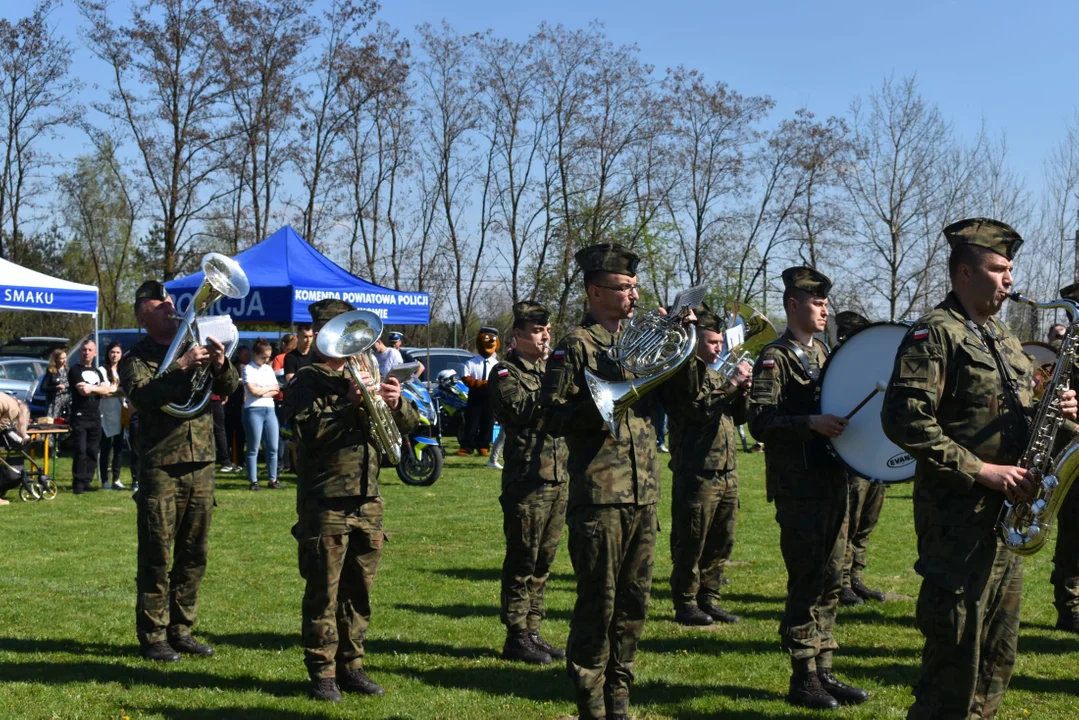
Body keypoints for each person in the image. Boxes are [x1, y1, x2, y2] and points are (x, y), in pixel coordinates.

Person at [881, 218, 1078, 718]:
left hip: (1005, 522)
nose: (1010, 279)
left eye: (1011, 268)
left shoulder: (1006, 338)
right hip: (957, 524)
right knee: (953, 665)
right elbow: (904, 420)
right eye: (999, 268)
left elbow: (1016, 420)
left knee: (996, 661)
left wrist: (1058, 415)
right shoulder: (934, 333)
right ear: (964, 273)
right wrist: (982, 471)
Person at [540, 243, 681, 720]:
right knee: (598, 606)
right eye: (624, 289)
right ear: (595, 291)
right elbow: (551, 416)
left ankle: (619, 697)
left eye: (636, 288)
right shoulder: (577, 343)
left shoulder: (640, 340)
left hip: (644, 495)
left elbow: (686, 400)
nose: (634, 298)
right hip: (600, 497)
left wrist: (681, 342)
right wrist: (600, 406)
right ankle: (590, 703)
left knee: (634, 604)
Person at [283, 298, 419, 702]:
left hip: (368, 497)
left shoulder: (369, 370)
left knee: (359, 590)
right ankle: (322, 672)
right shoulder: (306, 381)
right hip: (326, 499)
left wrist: (398, 404)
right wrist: (349, 405)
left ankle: (352, 665)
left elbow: (406, 427)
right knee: (324, 591)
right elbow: (307, 432)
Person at [747, 266, 868, 710]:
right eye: (817, 303)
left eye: (825, 302)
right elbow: (759, 421)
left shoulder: (825, 353)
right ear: (793, 304)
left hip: (834, 480)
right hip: (799, 489)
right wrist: (809, 424)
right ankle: (802, 677)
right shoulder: (773, 358)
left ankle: (824, 668)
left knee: (832, 580)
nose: (825, 310)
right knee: (807, 581)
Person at [119, 279, 239, 662]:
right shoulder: (134, 358)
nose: (171, 307)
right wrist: (181, 367)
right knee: (157, 552)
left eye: (170, 301)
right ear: (142, 315)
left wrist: (221, 365)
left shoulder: (194, 342)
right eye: (160, 305)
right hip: (161, 464)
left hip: (201, 458)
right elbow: (144, 398)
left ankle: (181, 629)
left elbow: (231, 388)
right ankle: (153, 634)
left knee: (195, 551)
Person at [659, 302, 750, 627]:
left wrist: (741, 392)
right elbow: (699, 410)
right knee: (691, 542)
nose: (718, 348)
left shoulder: (715, 374)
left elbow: (737, 417)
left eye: (720, 342)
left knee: (721, 542)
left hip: (726, 473)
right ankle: (685, 603)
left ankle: (709, 600)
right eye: (712, 342)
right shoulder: (681, 374)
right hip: (697, 474)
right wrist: (732, 385)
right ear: (695, 341)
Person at [489, 301, 568, 665]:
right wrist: (555, 377)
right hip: (527, 480)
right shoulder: (505, 372)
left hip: (557, 478)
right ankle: (516, 635)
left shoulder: (548, 369)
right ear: (518, 335)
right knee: (522, 559)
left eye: (547, 329)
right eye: (537, 331)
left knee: (544, 561)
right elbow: (520, 411)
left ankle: (533, 631)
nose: (545, 335)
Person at [831, 311, 887, 608]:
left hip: (875, 454)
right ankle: (840, 582)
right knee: (848, 522)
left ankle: (855, 576)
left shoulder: (875, 367)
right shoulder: (840, 369)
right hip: (851, 457)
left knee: (866, 522)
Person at [69, 340, 113, 494]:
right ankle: (78, 483)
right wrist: (99, 389)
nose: (86, 352)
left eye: (90, 350)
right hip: (79, 414)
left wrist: (94, 388)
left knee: (93, 450)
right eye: (84, 350)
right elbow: (83, 391)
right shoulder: (75, 370)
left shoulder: (98, 371)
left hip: (95, 414)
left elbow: (107, 391)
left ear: (95, 353)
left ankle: (88, 481)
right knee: (80, 450)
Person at [242, 338, 281, 491]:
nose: (266, 360)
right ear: (256, 354)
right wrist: (268, 389)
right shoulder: (247, 369)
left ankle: (273, 478)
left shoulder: (268, 369)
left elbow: (277, 389)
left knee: (273, 446)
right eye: (263, 357)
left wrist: (262, 390)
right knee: (253, 447)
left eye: (268, 357)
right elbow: (253, 391)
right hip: (253, 409)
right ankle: (253, 480)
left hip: (269, 409)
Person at [459, 328, 500, 456]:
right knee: (471, 421)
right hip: (474, 396)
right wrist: (482, 384)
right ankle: (467, 446)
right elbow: (466, 378)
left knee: (487, 422)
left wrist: (489, 386)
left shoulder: (496, 363)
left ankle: (484, 445)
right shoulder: (471, 362)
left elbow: (499, 380)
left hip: (489, 397)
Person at [99, 341, 128, 490]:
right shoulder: (102, 370)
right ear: (108, 353)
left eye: (117, 352)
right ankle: (104, 480)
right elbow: (104, 390)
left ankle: (116, 479)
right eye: (112, 352)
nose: (114, 355)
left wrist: (115, 390)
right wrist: (117, 390)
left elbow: (127, 389)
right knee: (105, 447)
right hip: (106, 411)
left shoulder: (124, 370)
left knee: (118, 447)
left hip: (121, 410)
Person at [223, 345, 251, 471]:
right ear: (239, 354)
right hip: (231, 404)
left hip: (243, 405)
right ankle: (226, 459)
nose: (247, 357)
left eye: (248, 354)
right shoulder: (232, 366)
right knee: (228, 433)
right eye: (245, 354)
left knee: (241, 435)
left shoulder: (251, 367)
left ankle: (241, 460)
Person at [41, 348, 70, 419]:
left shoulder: (68, 371)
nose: (64, 360)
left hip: (66, 402)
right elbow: (43, 388)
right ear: (56, 359)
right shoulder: (51, 372)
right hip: (54, 402)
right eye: (61, 358)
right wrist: (56, 387)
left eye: (65, 358)